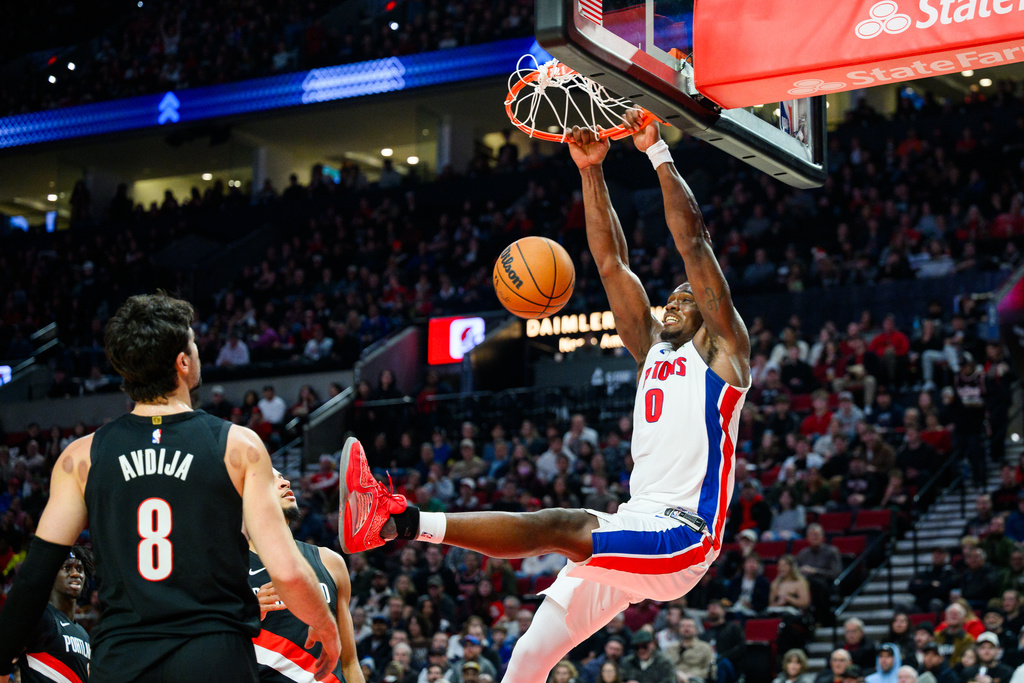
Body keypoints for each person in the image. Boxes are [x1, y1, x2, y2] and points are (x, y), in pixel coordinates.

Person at [337, 116, 750, 682]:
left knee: (564, 525)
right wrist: (591, 170)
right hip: (637, 520)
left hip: (684, 536)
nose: (674, 301)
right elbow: (612, 264)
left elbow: (694, 244)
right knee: (530, 654)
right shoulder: (652, 348)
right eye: (671, 297)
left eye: (687, 297)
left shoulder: (725, 354)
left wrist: (656, 153)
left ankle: (398, 521)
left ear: (711, 311)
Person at [0, 293, 340, 682]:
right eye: (193, 345)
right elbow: (287, 570)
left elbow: (34, 577)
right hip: (215, 655)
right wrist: (323, 623)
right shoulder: (237, 445)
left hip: (123, 659)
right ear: (182, 362)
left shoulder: (81, 457)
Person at [249, 468, 364, 683]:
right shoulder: (229, 569)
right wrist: (246, 614)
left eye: (282, 477)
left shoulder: (331, 562)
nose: (285, 483)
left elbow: (349, 662)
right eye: (270, 479)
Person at [13, 547, 91, 683]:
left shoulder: (83, 634)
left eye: (79, 569)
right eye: (67, 568)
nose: (75, 574)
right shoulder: (39, 617)